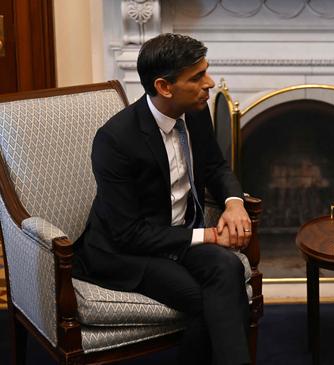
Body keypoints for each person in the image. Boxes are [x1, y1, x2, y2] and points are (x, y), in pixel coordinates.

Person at [73, 33, 252, 365]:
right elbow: (128, 234)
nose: (209, 83)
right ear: (164, 87)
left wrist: (234, 202)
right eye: (197, 77)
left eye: (206, 72)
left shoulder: (196, 112)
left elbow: (215, 166)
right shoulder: (115, 140)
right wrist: (212, 235)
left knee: (227, 269)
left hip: (179, 236)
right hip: (124, 251)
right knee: (208, 299)